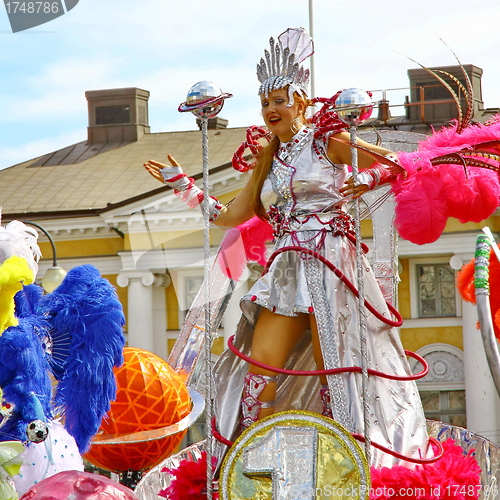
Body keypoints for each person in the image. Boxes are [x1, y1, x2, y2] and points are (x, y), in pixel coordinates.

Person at [144, 28, 429, 468]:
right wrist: (184, 186)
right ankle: (255, 464)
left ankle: (347, 461)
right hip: (285, 270)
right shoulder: (268, 158)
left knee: (335, 367)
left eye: (279, 100)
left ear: (300, 102)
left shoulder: (329, 142)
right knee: (261, 367)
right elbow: (230, 215)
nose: (270, 110)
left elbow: (395, 165)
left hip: (333, 262)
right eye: (264, 103)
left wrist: (363, 179)